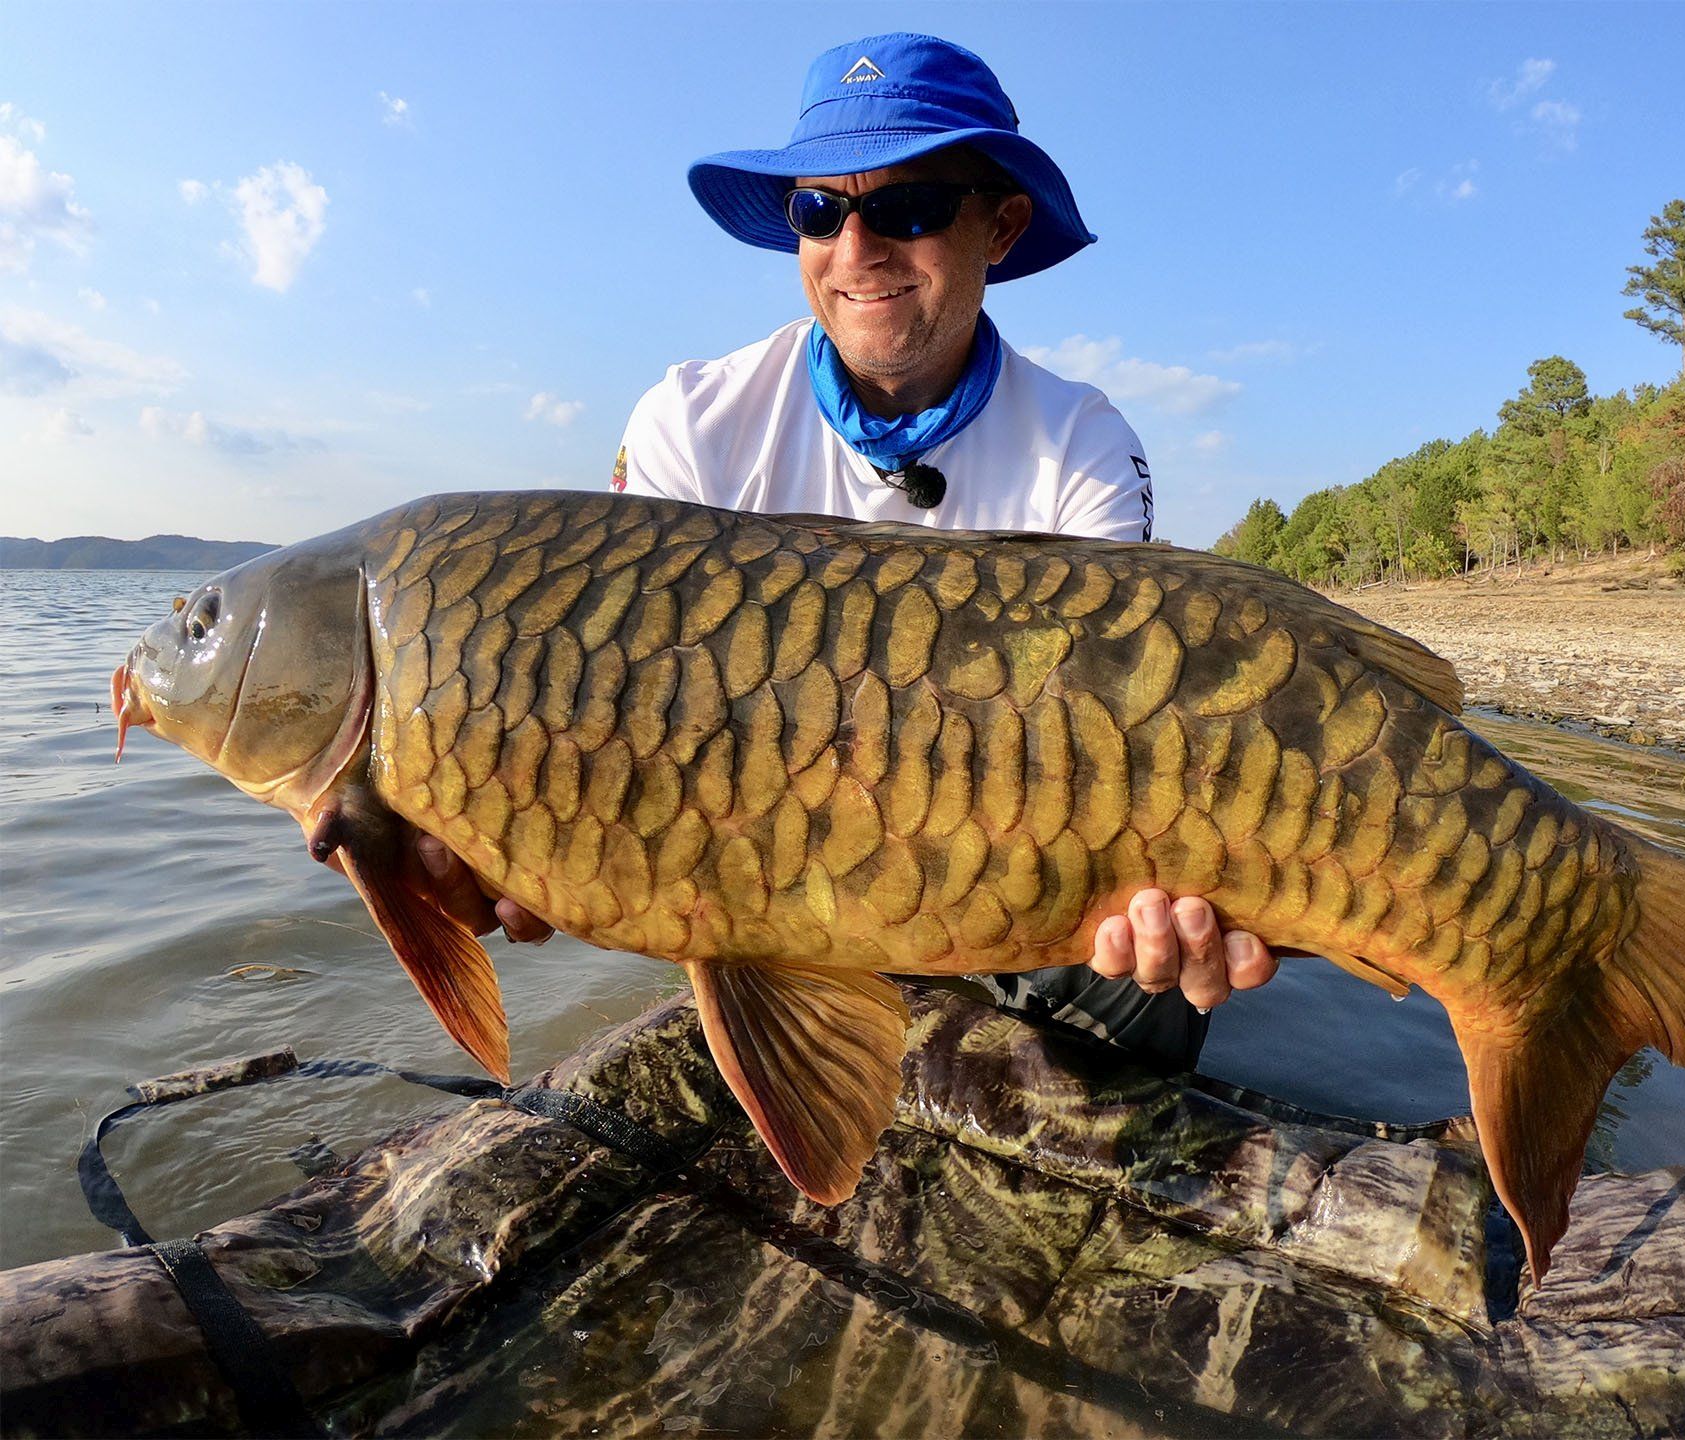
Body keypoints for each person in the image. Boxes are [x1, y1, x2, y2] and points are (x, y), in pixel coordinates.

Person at [420, 32, 1276, 1068]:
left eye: (908, 208)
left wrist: (1174, 901)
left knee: (1149, 981)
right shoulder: (693, 420)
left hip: (1018, 879)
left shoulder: (1083, 446)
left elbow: (1117, 744)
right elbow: (619, 712)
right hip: (765, 878)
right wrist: (513, 821)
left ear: (999, 226)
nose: (857, 249)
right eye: (820, 210)